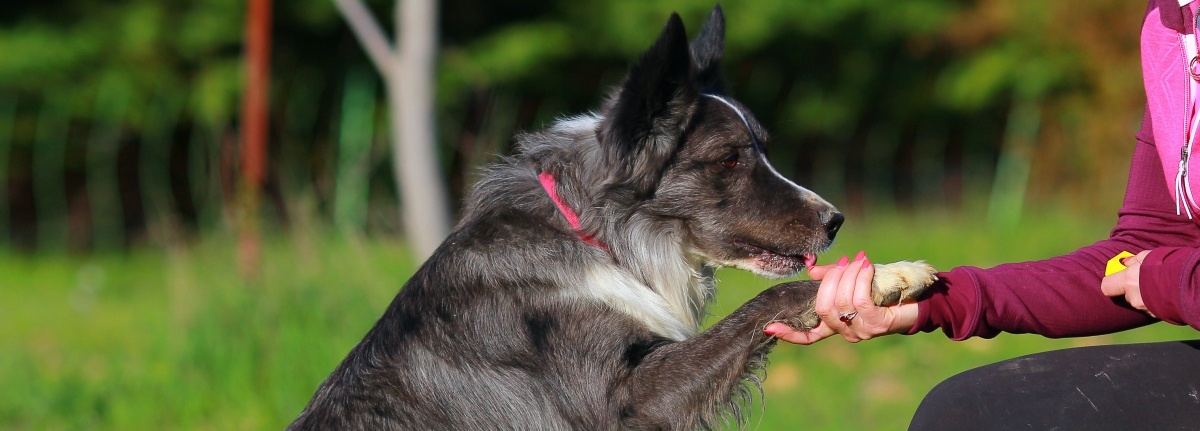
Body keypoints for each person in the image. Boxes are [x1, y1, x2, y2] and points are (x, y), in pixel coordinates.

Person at [765, 1, 1200, 429]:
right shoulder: (1167, 22)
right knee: (963, 414)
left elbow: (1156, 268)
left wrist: (1168, 280)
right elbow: (1146, 250)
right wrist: (936, 301)